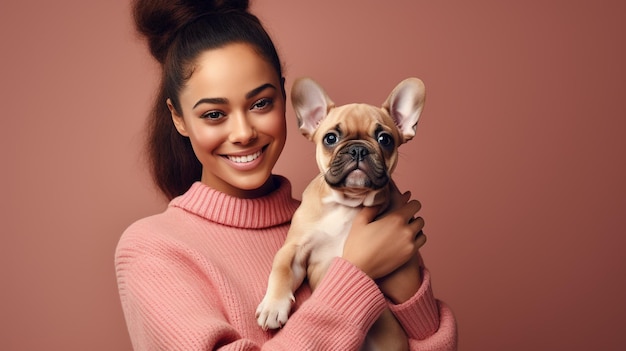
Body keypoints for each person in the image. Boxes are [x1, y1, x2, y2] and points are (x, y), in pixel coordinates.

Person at [115, 0, 458, 350]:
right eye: (214, 114)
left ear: (283, 98)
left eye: (260, 103)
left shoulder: (340, 220)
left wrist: (408, 286)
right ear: (178, 117)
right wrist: (355, 272)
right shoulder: (152, 249)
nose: (243, 132)